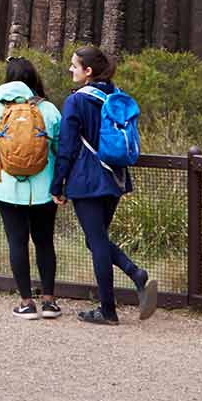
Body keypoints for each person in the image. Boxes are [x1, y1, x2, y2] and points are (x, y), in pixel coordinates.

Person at [52, 44, 157, 325]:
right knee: (95, 238)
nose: (71, 70)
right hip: (114, 177)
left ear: (87, 72)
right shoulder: (115, 94)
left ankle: (108, 309)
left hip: (87, 180)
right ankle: (135, 274)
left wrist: (57, 184)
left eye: (75, 66)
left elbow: (68, 147)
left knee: (96, 241)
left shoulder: (76, 101)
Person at [0, 56, 64, 320]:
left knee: (17, 241)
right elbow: (61, 147)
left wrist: (3, 157)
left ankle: (26, 303)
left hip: (5, 186)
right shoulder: (48, 110)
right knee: (44, 241)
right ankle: (49, 301)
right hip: (44, 187)